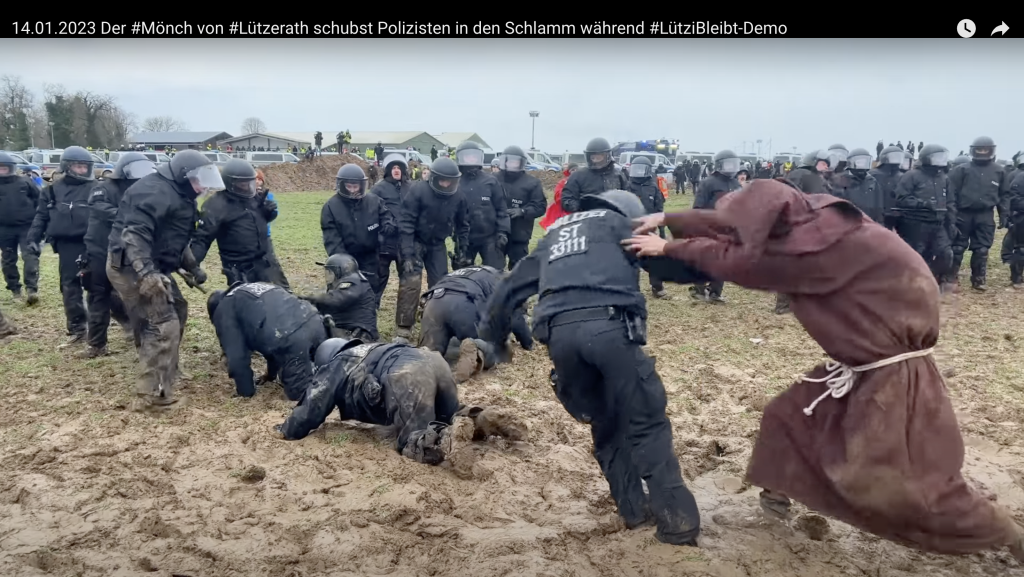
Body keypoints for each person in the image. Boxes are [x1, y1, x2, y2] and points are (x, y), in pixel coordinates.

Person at [622, 178, 1024, 564]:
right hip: (862, 359)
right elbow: (740, 223)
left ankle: (1005, 533)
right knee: (787, 416)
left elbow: (743, 263)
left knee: (896, 483)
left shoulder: (816, 254)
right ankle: (777, 498)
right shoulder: (812, 217)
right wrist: (669, 220)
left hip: (892, 372)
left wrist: (670, 248)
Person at [478, 190, 706, 547]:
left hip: (560, 341)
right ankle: (678, 525)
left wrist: (493, 338)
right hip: (610, 331)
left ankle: (633, 512)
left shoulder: (555, 234)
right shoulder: (623, 224)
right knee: (646, 424)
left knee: (605, 424)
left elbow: (510, 287)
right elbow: (670, 267)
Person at [106, 150, 222, 412]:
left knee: (178, 310)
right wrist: (147, 274)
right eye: (199, 181)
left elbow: (175, 238)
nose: (203, 187)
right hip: (130, 266)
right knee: (161, 324)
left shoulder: (182, 195)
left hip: (152, 264)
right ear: (183, 177)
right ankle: (152, 397)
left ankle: (168, 369)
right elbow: (134, 235)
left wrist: (192, 266)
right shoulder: (153, 193)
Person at [80, 152, 155, 358]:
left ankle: (145, 345)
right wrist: (132, 217)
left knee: (139, 298)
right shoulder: (103, 189)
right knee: (98, 295)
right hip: (100, 248)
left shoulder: (144, 191)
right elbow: (101, 208)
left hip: (128, 252)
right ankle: (96, 344)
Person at [207, 282, 327, 401]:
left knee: (299, 395)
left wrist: (245, 391)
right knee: (328, 370)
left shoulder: (224, 309)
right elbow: (267, 329)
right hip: (314, 321)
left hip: (291, 338)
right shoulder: (251, 288)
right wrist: (270, 374)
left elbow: (237, 357)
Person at [27, 146, 97, 344]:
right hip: (66, 244)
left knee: (101, 285)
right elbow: (41, 216)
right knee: (69, 286)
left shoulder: (97, 188)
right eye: (78, 166)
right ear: (67, 166)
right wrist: (33, 238)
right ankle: (77, 328)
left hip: (93, 242)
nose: (82, 170)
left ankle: (126, 321)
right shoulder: (51, 191)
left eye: (85, 167)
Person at [394, 157, 470, 341]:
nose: (445, 184)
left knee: (440, 284)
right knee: (411, 280)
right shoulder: (418, 191)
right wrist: (407, 253)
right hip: (415, 241)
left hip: (437, 243)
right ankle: (404, 327)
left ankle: (436, 322)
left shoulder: (458, 196)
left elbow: (463, 225)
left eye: (449, 181)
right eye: (442, 180)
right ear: (434, 178)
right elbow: (406, 222)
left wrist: (462, 248)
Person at [418, 264, 531, 382]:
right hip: (463, 303)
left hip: (433, 302)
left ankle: (420, 370)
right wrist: (528, 343)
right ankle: (475, 347)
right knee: (492, 348)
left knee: (428, 355)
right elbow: (517, 319)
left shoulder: (480, 271)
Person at [190, 159, 281, 286]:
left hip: (263, 263)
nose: (248, 187)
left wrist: (268, 212)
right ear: (231, 183)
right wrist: (193, 267)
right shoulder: (216, 205)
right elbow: (202, 238)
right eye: (243, 184)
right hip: (239, 269)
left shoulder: (253, 198)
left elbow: (257, 222)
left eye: (250, 183)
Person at [321, 163, 396, 298]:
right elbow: (332, 240)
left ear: (362, 186)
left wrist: (387, 225)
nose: (353, 190)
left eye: (356, 186)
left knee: (371, 291)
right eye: (349, 187)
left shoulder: (374, 201)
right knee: (343, 292)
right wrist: (345, 263)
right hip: (344, 257)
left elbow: (386, 215)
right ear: (342, 185)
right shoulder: (330, 207)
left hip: (370, 255)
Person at [946, 136, 1008, 291]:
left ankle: (978, 279)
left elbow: (1004, 195)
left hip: (985, 214)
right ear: (973, 150)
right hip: (963, 213)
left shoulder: (999, 171)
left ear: (992, 150)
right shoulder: (961, 170)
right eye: (979, 149)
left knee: (981, 249)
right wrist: (951, 215)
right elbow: (951, 193)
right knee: (957, 247)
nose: (982, 152)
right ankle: (951, 278)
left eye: (986, 149)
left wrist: (1004, 215)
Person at [894, 144, 954, 289]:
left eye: (942, 157)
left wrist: (951, 222)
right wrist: (923, 204)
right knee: (917, 256)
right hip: (916, 224)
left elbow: (950, 202)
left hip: (938, 223)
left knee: (946, 254)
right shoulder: (912, 176)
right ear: (927, 158)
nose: (940, 161)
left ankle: (932, 279)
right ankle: (915, 286)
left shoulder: (943, 178)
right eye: (937, 158)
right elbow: (901, 198)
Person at [693, 150, 742, 304]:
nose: (732, 167)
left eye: (734, 164)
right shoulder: (708, 183)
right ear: (719, 165)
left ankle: (715, 292)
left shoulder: (735, 183)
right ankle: (699, 289)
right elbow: (698, 207)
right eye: (728, 164)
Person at [298, 253, 378, 342]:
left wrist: (309, 297)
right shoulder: (348, 282)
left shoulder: (354, 282)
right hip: (350, 331)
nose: (327, 276)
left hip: (359, 335)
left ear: (339, 271)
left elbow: (336, 300)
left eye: (329, 272)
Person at [454, 141, 509, 269]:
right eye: (468, 156)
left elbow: (501, 209)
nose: (471, 159)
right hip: (465, 238)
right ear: (461, 158)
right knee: (462, 274)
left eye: (474, 156)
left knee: (495, 273)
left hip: (490, 237)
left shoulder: (491, 181)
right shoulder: (456, 182)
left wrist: (503, 232)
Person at [625, 156, 671, 299]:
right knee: (628, 260)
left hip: (649, 229)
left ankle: (657, 288)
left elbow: (659, 208)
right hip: (631, 229)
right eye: (635, 169)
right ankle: (630, 289)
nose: (638, 172)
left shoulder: (653, 187)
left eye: (641, 169)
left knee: (654, 259)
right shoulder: (627, 186)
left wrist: (661, 229)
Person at [494, 145, 546, 270]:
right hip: (496, 232)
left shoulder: (532, 183)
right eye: (509, 161)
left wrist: (523, 211)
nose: (512, 164)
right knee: (494, 268)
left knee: (518, 269)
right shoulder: (492, 179)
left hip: (520, 233)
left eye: (515, 161)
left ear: (521, 162)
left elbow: (540, 206)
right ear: (503, 161)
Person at [0, 152, 41, 305]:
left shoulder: (25, 182)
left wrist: (39, 222)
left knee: (30, 256)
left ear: (11, 168)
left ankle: (32, 289)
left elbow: (39, 199)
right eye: (0, 169)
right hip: (4, 229)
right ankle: (15, 291)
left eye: (5, 168)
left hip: (26, 227)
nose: (2, 171)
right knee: (8, 259)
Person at [370, 154, 409, 305]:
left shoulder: (411, 188)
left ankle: (405, 311)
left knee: (407, 279)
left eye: (399, 167)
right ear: (388, 170)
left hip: (405, 242)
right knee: (378, 277)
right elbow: (370, 211)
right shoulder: (378, 188)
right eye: (393, 168)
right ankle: (372, 306)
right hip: (384, 241)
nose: (396, 170)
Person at [560, 138, 627, 213]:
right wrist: (581, 207)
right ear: (588, 157)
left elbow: (628, 197)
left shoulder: (618, 175)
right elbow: (567, 198)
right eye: (593, 157)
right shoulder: (578, 176)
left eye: (599, 157)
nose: (595, 160)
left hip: (613, 218)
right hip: (587, 219)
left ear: (607, 156)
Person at [254, 169, 290, 290]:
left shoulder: (268, 195)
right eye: (255, 179)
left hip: (264, 236)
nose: (258, 182)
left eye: (260, 179)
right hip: (249, 237)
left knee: (272, 263)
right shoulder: (245, 196)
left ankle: (285, 289)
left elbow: (274, 213)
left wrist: (269, 210)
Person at [830, 148, 884, 224]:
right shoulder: (841, 179)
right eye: (859, 162)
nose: (862, 165)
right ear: (851, 162)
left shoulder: (872, 181)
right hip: (848, 222)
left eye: (864, 162)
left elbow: (878, 204)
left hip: (869, 222)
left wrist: (880, 222)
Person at [871, 145, 906, 231]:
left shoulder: (902, 176)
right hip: (879, 212)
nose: (896, 159)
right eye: (893, 157)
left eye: (898, 156)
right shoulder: (873, 174)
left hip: (898, 213)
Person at [1002, 160, 1024, 288]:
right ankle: (1017, 278)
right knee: (1021, 249)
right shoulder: (1021, 178)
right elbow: (1014, 198)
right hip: (1022, 217)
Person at [539, 163, 577, 230]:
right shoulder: (563, 182)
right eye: (573, 170)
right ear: (569, 171)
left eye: (576, 170)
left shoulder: (583, 182)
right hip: (563, 210)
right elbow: (557, 196)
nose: (575, 171)